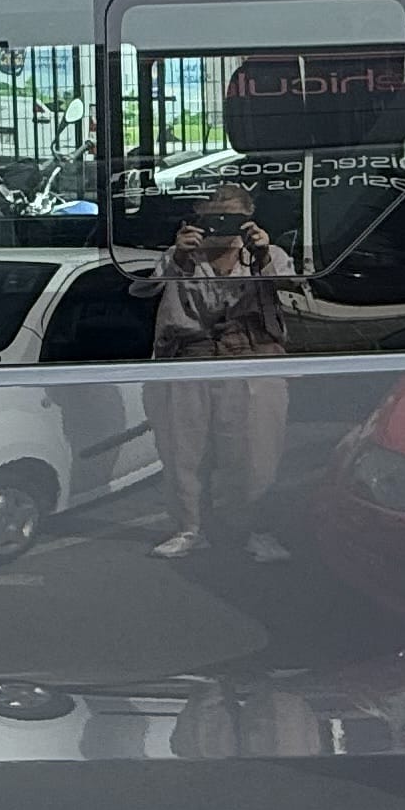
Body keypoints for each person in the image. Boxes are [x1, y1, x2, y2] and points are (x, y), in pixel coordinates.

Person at [147, 184, 296, 559]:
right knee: (182, 450)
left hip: (252, 355)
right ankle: (189, 527)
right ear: (198, 218)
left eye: (232, 218)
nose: (223, 226)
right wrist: (181, 257)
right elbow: (143, 290)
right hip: (189, 356)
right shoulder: (179, 254)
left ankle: (255, 528)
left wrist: (262, 255)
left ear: (249, 217)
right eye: (214, 218)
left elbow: (292, 288)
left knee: (257, 451)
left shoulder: (268, 253)